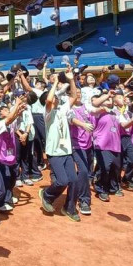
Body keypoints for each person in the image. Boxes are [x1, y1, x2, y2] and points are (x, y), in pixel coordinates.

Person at [38, 66, 80, 222]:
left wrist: (71, 79)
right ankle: (47, 195)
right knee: (62, 181)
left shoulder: (62, 109)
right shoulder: (47, 113)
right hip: (54, 152)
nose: (56, 98)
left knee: (74, 181)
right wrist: (55, 82)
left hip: (66, 150)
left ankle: (69, 208)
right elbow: (49, 99)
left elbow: (74, 95)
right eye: (54, 97)